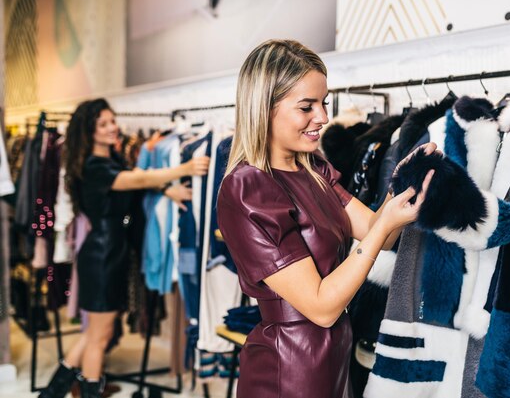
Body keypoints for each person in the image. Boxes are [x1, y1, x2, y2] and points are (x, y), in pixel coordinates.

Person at [217, 39, 435, 398]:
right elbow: (321, 307)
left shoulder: (314, 170)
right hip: (289, 365)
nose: (323, 117)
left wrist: (404, 181)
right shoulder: (248, 188)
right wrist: (383, 225)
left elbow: (378, 232)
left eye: (324, 103)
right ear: (264, 109)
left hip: (331, 353)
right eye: (307, 107)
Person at [38, 98, 210, 398]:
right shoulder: (94, 165)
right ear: (88, 131)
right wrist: (183, 168)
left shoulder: (109, 160)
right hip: (103, 255)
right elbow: (137, 178)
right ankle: (87, 392)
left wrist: (166, 189)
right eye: (102, 124)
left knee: (94, 333)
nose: (112, 127)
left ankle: (52, 393)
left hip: (108, 253)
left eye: (112, 121)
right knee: (99, 337)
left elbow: (135, 182)